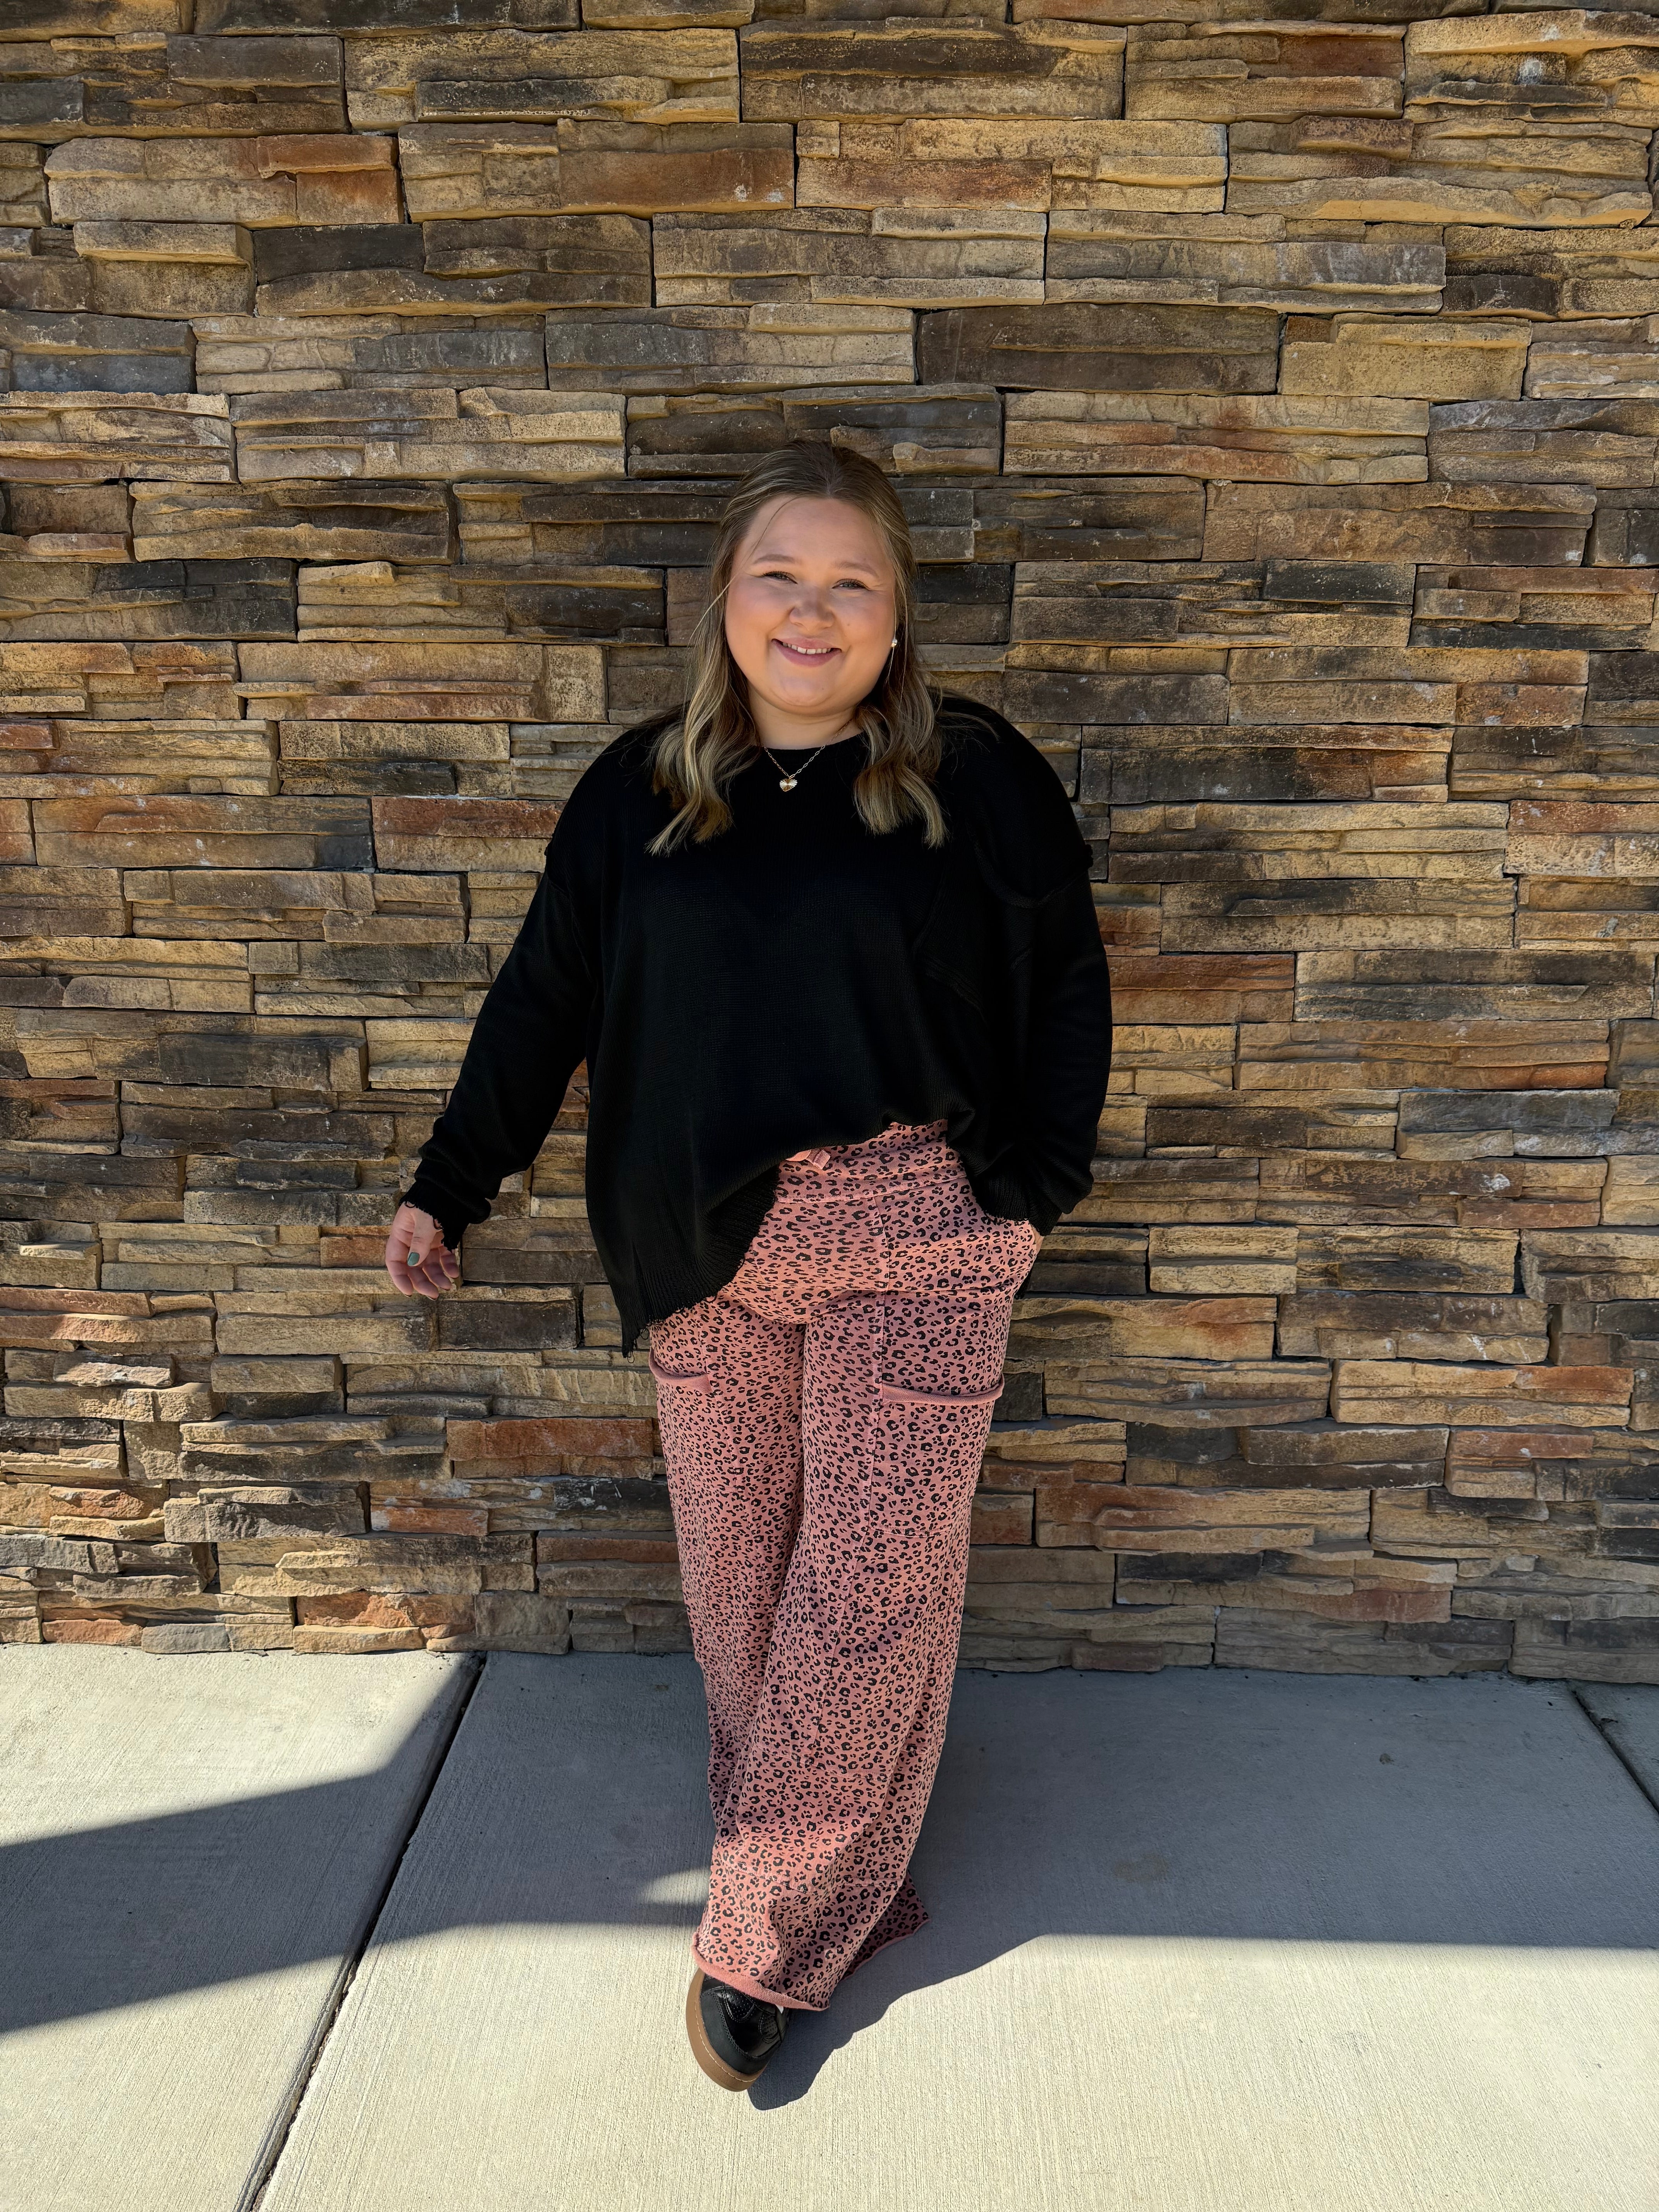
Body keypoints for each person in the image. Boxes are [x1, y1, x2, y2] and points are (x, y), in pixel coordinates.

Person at [382, 439, 1113, 2092]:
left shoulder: (974, 775)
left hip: (916, 1233)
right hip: (697, 1241)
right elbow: (542, 1001)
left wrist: (1030, 1193)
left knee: (865, 1594)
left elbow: (1066, 979)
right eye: (781, 574)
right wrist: (450, 1184)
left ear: (897, 615)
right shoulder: (637, 792)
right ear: (724, 596)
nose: (811, 610)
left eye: (852, 581)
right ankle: (822, 1865)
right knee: (740, 1588)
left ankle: (763, 1938)